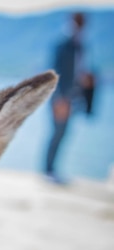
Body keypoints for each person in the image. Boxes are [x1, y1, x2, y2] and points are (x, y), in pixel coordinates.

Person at [43, 12, 96, 184]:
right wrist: (59, 98)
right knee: (57, 132)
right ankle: (48, 170)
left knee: (63, 133)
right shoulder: (63, 45)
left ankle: (52, 169)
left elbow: (78, 71)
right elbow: (54, 73)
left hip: (73, 97)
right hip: (61, 98)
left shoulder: (81, 47)